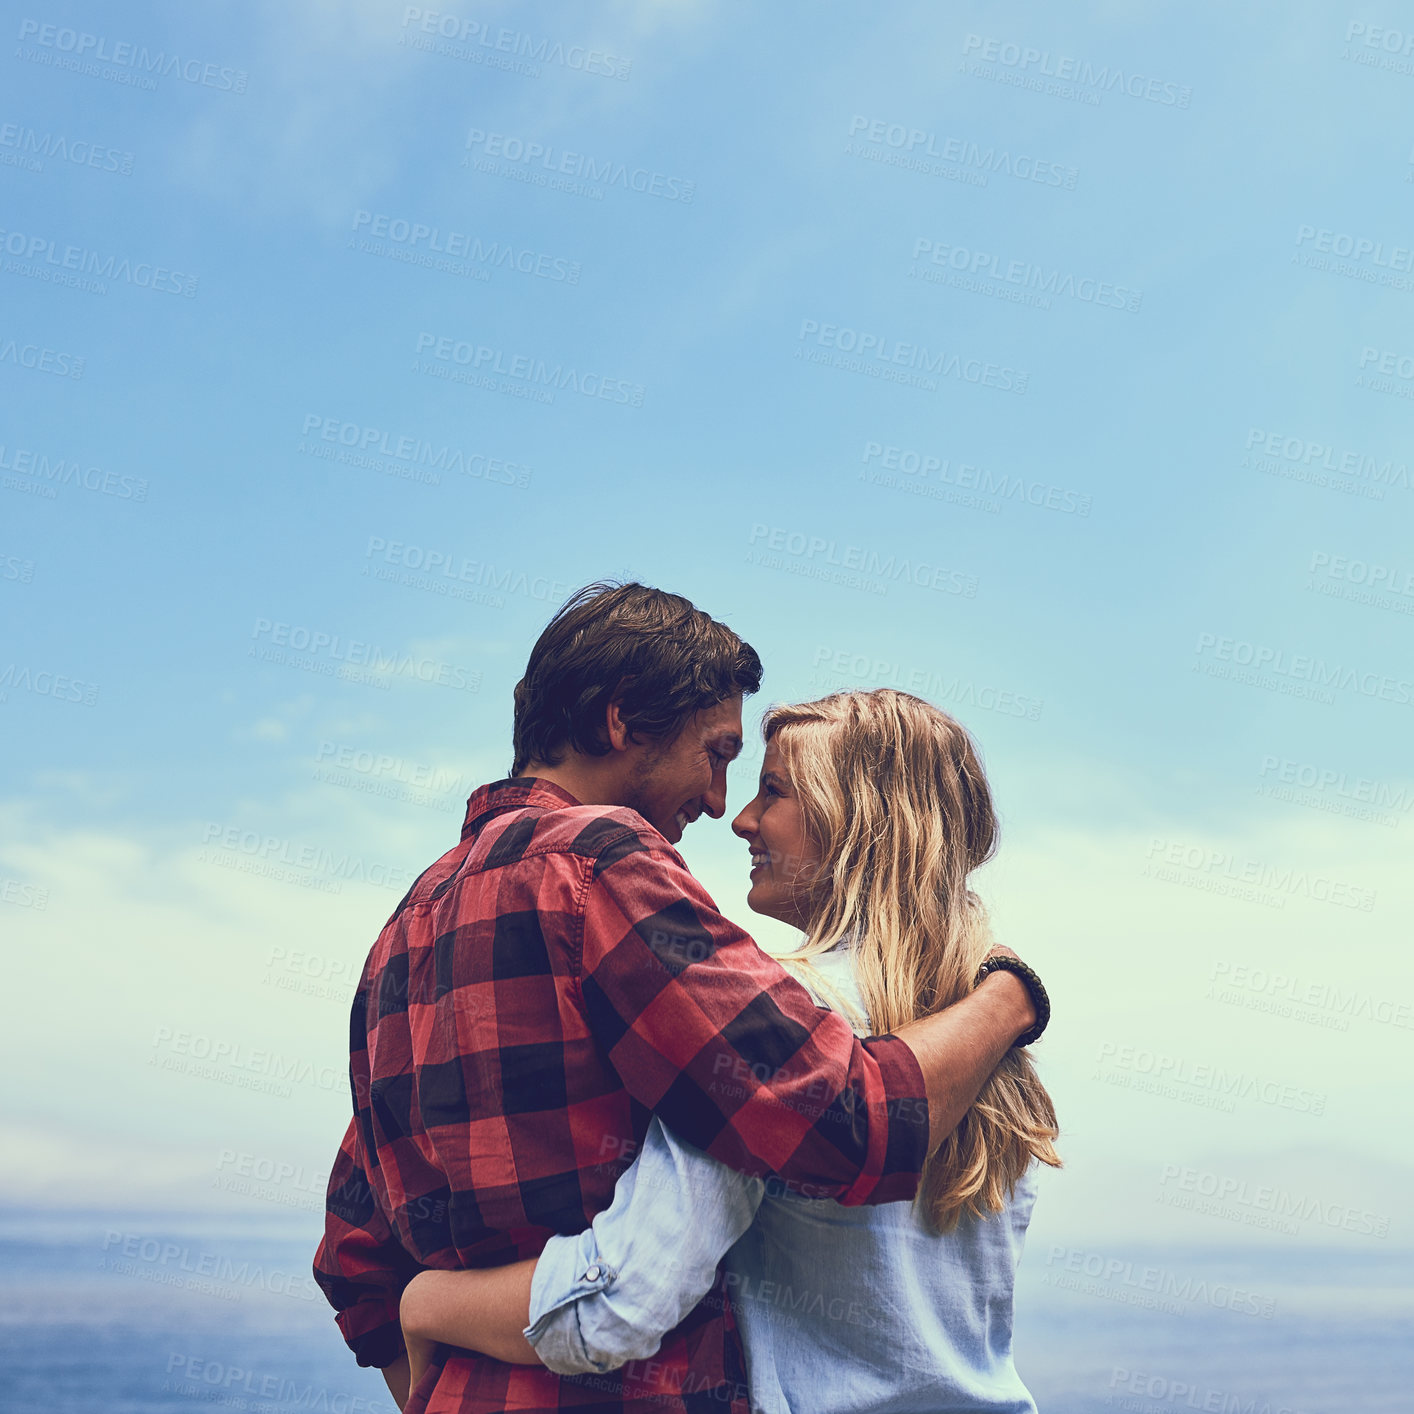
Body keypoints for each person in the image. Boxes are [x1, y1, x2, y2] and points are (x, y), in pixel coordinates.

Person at [313, 584, 1049, 1414]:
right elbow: (842, 1120)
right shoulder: (605, 862)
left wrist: (435, 1342)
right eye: (716, 754)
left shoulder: (404, 932)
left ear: (859, 822)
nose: (718, 806)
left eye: (763, 786)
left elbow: (355, 1252)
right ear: (624, 723)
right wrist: (1013, 996)